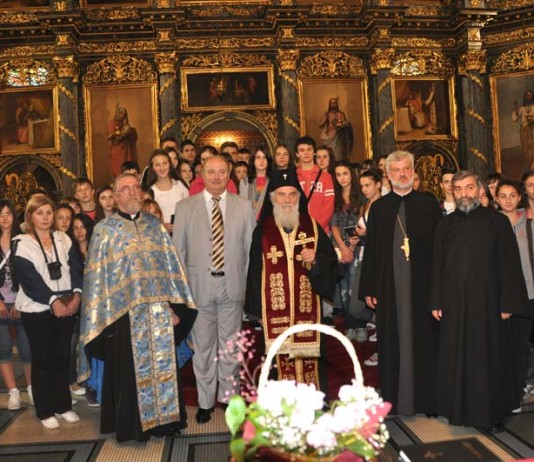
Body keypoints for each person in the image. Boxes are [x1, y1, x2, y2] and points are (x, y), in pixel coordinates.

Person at [78, 173, 196, 442]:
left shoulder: (155, 227)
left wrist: (174, 307)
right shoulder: (104, 231)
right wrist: (103, 320)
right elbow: (97, 281)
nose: (131, 192)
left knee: (163, 367)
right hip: (123, 316)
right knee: (130, 372)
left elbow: (171, 270)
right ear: (115, 195)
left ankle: (165, 423)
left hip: (159, 314)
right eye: (125, 188)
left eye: (135, 188)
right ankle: (134, 427)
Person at [430, 171, 531, 429]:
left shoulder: (497, 222)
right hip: (454, 304)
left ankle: (491, 413)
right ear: (453, 192)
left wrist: (508, 304)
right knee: (457, 356)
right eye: (459, 189)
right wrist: (436, 301)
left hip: (490, 304)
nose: (464, 193)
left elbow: (510, 264)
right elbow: (437, 266)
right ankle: (458, 410)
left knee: (489, 357)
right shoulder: (445, 225)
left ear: (479, 190)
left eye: (469, 188)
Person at [173, 155, 255, 424]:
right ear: (202, 175)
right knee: (204, 348)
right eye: (211, 172)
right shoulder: (185, 207)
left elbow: (250, 251)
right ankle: (205, 402)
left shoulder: (244, 207)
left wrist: (247, 289)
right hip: (199, 288)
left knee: (231, 347)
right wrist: (181, 293)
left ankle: (229, 398)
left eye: (221, 172)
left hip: (233, 287)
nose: (217, 177)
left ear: (229, 174)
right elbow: (178, 252)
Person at [359, 150, 442, 416]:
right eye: (396, 170)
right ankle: (395, 399)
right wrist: (369, 286)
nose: (402, 174)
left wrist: (441, 288)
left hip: (423, 285)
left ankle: (428, 400)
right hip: (389, 285)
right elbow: (371, 249)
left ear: (413, 171)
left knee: (425, 340)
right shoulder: (380, 208)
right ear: (388, 174)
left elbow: (440, 250)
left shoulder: (429, 204)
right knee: (392, 340)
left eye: (406, 169)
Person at [246, 168, 338, 388]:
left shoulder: (313, 227)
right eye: (281, 195)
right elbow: (254, 272)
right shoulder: (262, 231)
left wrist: (316, 259)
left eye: (292, 194)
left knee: (310, 364)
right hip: (274, 314)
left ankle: (312, 402)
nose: (287, 200)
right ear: (273, 198)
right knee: (279, 364)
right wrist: (258, 312)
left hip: (307, 313)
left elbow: (332, 263)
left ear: (298, 197)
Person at [13, 195, 83, 429]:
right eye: (39, 213)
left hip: (67, 304)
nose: (45, 217)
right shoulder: (21, 243)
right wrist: (53, 301)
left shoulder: (64, 238)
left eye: (48, 212)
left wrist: (77, 294)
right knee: (43, 359)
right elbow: (29, 279)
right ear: (30, 216)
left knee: (62, 356)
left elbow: (75, 268)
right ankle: (45, 410)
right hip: (38, 309)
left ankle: (63, 405)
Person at [0, 200, 32, 411]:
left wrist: (20, 301)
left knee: (27, 349)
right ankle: (13, 392)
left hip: (23, 301)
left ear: (14, 215)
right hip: (0, 302)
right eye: (1, 214)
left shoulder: (22, 241)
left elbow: (29, 273)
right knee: (3, 349)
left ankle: (31, 388)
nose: (4, 217)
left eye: (8, 213)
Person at [330, 161, 360, 341]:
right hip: (339, 246)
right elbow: (333, 224)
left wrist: (351, 247)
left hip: (357, 246)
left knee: (354, 288)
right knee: (343, 290)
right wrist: (342, 247)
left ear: (351, 174)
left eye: (345, 174)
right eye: (338, 174)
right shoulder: (335, 196)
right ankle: (350, 325)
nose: (342, 178)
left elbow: (362, 221)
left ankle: (360, 325)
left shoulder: (360, 196)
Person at [149, 149, 189, 233]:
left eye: (165, 163)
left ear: (169, 164)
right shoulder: (150, 190)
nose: (162, 168)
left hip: (182, 233)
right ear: (152, 167)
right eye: (157, 165)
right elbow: (147, 219)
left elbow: (189, 210)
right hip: (160, 235)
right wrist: (161, 226)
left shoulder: (180, 185)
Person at [239, 146, 272, 219]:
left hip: (269, 220)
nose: (261, 161)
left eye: (264, 157)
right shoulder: (245, 181)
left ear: (268, 161)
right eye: (258, 157)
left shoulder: (273, 180)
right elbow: (243, 205)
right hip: (251, 220)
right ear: (253, 160)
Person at [107, 104, 137, 178]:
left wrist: (129, 131)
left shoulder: (125, 123)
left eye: (124, 114)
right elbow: (113, 139)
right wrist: (122, 133)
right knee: (118, 169)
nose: (122, 115)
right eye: (121, 113)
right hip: (117, 150)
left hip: (126, 150)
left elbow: (132, 137)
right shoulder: (112, 123)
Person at [512, 90, 534, 170]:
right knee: (525, 148)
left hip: (532, 130)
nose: (528, 97)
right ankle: (528, 167)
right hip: (524, 130)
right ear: (525, 97)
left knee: (532, 148)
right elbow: (514, 119)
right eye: (527, 95)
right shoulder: (522, 108)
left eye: (530, 95)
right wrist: (515, 109)